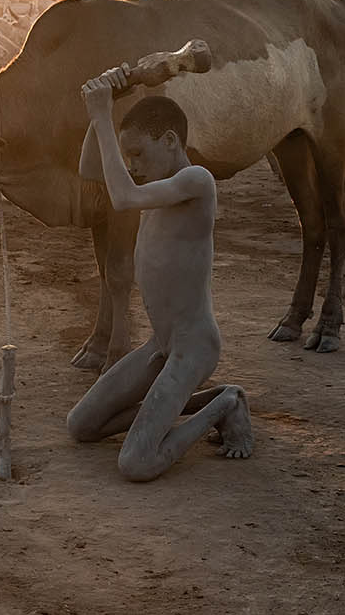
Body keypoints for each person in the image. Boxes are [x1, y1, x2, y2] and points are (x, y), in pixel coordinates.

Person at [66, 73, 253, 481]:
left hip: (193, 346)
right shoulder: (160, 185)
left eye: (137, 153)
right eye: (127, 156)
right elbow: (89, 169)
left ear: (170, 141)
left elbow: (122, 197)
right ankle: (202, 399)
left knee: (136, 462)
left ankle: (227, 403)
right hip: (160, 342)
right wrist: (103, 107)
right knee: (81, 425)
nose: (131, 165)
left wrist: (102, 115)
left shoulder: (195, 182)